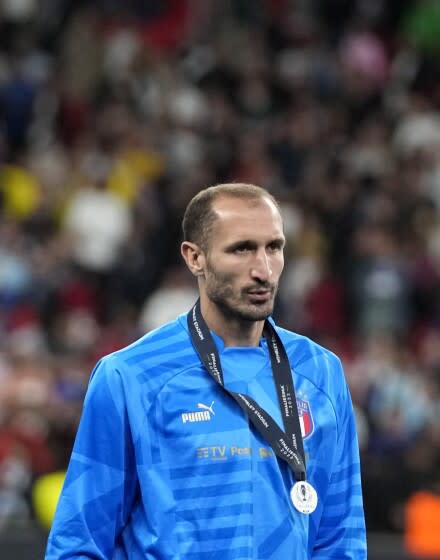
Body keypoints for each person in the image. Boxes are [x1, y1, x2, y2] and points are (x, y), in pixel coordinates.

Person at [46, 183, 367, 559]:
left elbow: (341, 539)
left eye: (273, 247)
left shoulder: (321, 372)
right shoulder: (130, 376)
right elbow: (78, 543)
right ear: (194, 257)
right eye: (241, 249)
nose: (263, 270)